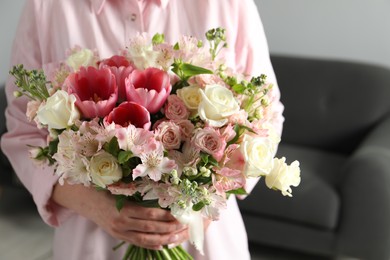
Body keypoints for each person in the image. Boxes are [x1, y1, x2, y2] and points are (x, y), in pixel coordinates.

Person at [1, 0, 284, 259]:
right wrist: (93, 205)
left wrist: (205, 203)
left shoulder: (228, 4)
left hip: (206, 241)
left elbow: (267, 114)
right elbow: (23, 133)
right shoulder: (46, 7)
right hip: (94, 240)